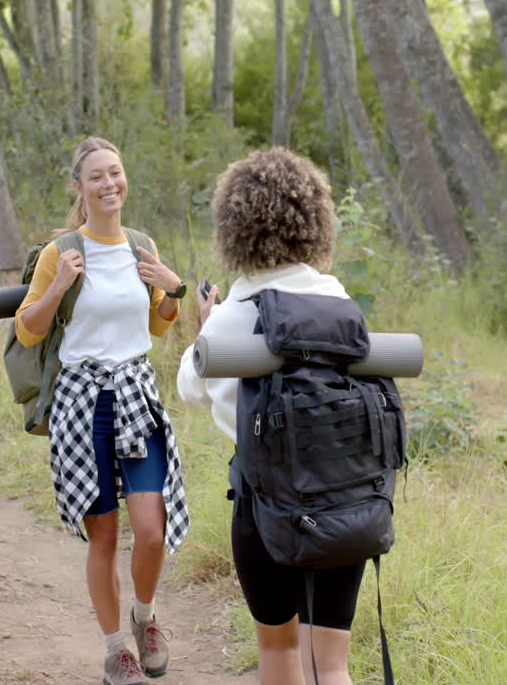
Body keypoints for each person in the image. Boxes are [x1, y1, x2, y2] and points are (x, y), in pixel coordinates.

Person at [177, 147, 365, 685]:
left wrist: (206, 326)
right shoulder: (338, 300)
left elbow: (192, 388)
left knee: (280, 654)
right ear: (314, 221)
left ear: (235, 227)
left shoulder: (233, 316)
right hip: (344, 500)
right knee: (331, 664)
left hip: (266, 508)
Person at [14, 136, 191, 685]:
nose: (109, 184)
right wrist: (59, 284)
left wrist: (172, 291)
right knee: (106, 536)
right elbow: (28, 329)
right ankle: (117, 648)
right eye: (97, 176)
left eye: (115, 173)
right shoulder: (60, 251)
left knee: (152, 528)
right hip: (83, 400)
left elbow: (158, 326)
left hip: (137, 393)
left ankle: (145, 616)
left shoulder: (142, 245)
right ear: (79, 187)